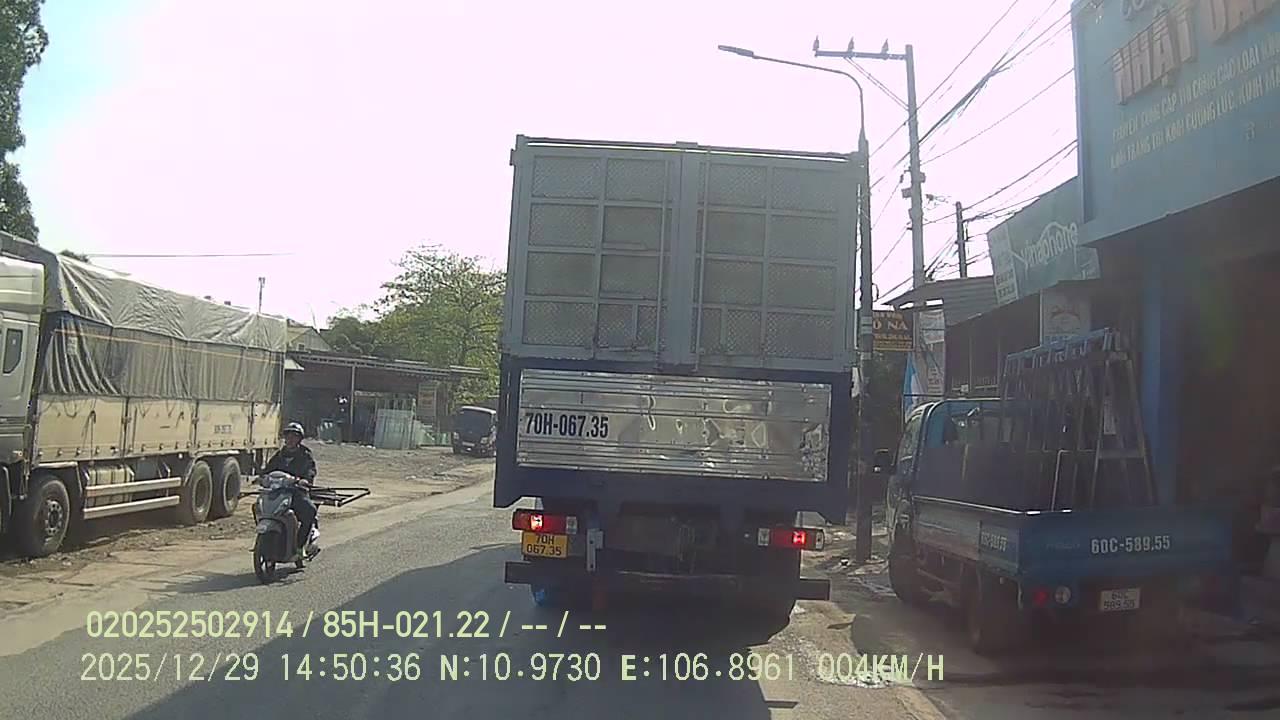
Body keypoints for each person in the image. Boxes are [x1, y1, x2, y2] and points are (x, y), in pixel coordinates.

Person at [264, 422, 320, 556]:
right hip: (278, 492)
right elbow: (268, 470)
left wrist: (305, 480)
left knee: (310, 511)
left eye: (294, 436)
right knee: (258, 507)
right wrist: (262, 477)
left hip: (297, 492)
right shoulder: (280, 455)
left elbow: (310, 470)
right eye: (288, 436)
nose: (290, 439)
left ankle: (300, 546)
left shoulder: (305, 455)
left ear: (299, 439)